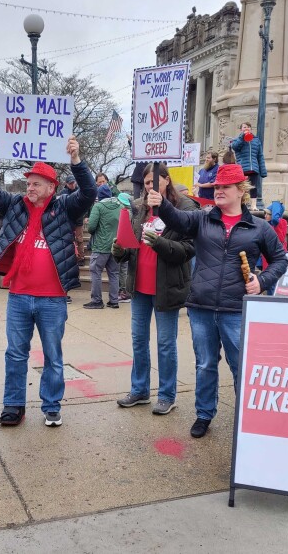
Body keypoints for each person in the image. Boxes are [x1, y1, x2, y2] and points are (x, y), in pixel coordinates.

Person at [149, 164, 288, 438]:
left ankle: (246, 416)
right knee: (205, 364)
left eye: (225, 187)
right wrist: (162, 203)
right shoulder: (202, 219)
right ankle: (203, 414)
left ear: (241, 191)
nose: (219, 191)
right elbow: (177, 219)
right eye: (216, 188)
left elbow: (280, 260)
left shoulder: (258, 227)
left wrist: (262, 281)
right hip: (201, 306)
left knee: (239, 366)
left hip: (236, 309)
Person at [0, 136, 96, 428]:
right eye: (28, 183)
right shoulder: (15, 206)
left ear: (50, 188)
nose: (29, 188)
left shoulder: (65, 209)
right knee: (15, 354)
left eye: (35, 184)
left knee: (53, 355)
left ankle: (51, 405)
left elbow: (89, 193)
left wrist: (77, 162)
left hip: (52, 299)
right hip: (19, 296)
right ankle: (13, 405)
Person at [112, 164, 196, 416]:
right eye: (147, 182)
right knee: (139, 340)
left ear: (167, 181)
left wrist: (160, 244)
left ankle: (167, 395)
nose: (149, 187)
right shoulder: (139, 207)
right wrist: (121, 252)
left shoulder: (184, 208)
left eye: (154, 182)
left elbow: (188, 250)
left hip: (166, 286)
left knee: (165, 343)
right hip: (139, 286)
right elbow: (132, 245)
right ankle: (139, 390)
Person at [84, 184, 121, 309]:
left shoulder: (98, 206)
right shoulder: (120, 206)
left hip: (101, 246)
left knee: (95, 272)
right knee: (114, 273)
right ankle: (114, 301)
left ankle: (97, 301)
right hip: (116, 245)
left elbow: (91, 227)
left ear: (99, 196)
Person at [230, 122, 267, 206]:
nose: (246, 129)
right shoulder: (237, 139)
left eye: (248, 127)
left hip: (253, 168)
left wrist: (263, 171)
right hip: (242, 168)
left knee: (253, 187)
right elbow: (235, 147)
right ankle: (242, 204)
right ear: (241, 129)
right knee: (242, 187)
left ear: (251, 129)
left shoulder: (256, 140)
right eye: (244, 127)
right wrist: (242, 137)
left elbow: (260, 156)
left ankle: (253, 205)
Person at [60, 174, 86, 269]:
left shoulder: (80, 191)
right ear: (66, 184)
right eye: (70, 183)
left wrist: (86, 216)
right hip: (67, 219)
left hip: (78, 219)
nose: (72, 185)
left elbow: (86, 204)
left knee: (79, 239)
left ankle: (81, 258)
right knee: (68, 239)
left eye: (73, 183)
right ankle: (68, 257)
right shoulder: (63, 192)